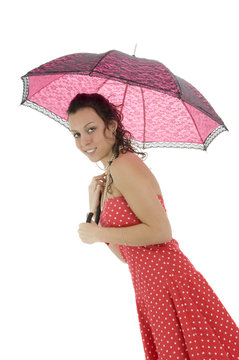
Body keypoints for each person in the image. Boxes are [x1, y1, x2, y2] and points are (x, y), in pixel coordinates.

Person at [67, 93, 239, 360]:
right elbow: (126, 255)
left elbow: (161, 232)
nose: (84, 141)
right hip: (150, 289)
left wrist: (99, 232)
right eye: (76, 134)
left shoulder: (124, 166)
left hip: (170, 283)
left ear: (111, 126)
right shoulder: (112, 170)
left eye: (91, 129)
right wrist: (96, 211)